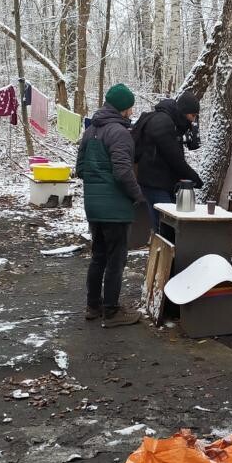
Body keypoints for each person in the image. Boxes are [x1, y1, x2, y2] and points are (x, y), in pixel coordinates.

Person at [76, 83, 144, 328]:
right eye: (130, 107)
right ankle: (112, 312)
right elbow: (123, 172)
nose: (132, 111)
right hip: (115, 209)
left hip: (93, 206)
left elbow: (81, 168)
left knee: (98, 257)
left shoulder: (91, 129)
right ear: (124, 107)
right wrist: (138, 195)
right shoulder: (119, 133)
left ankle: (93, 306)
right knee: (116, 260)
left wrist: (97, 187)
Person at [134, 90, 203, 231]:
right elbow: (174, 158)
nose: (193, 120)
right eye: (192, 115)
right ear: (184, 111)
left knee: (161, 227)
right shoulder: (164, 123)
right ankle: (164, 252)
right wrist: (194, 178)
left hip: (154, 182)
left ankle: (160, 251)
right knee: (167, 228)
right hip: (155, 184)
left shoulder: (168, 121)